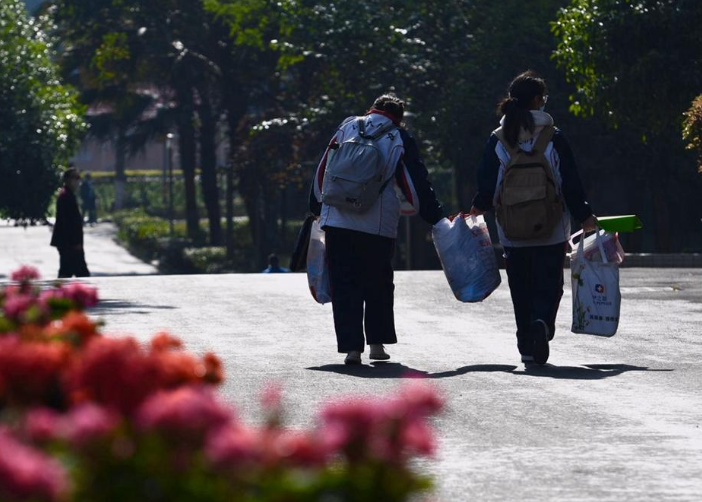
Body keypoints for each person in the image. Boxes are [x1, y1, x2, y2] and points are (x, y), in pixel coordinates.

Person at [469, 71, 597, 366]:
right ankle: (542, 323)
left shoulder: (499, 139)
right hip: (551, 229)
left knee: (520, 287)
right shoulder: (553, 136)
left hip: (511, 230)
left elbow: (488, 183)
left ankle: (526, 345)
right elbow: (570, 182)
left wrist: (478, 208)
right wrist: (584, 215)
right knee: (549, 283)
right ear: (538, 100)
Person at [310, 94, 446, 365]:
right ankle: (377, 344)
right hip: (377, 226)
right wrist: (435, 216)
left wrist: (316, 205)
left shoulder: (347, 126)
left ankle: (351, 349)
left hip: (338, 220)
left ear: (372, 109)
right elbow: (413, 183)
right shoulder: (398, 137)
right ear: (399, 116)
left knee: (345, 283)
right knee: (378, 283)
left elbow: (323, 169)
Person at [51, 168, 91, 278]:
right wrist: (75, 243)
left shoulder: (68, 195)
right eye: (76, 178)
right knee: (81, 274)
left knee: (66, 272)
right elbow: (67, 223)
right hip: (70, 244)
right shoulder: (65, 196)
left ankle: (59, 293)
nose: (78, 181)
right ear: (68, 180)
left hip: (69, 244)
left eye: (79, 178)